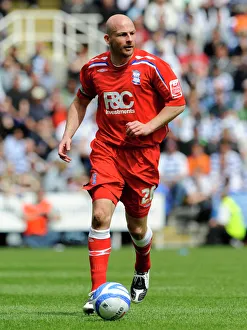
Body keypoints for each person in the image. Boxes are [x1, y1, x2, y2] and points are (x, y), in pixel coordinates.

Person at [58, 14, 186, 314]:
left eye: (132, 33)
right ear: (108, 39)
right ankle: (95, 292)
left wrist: (149, 125)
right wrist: (67, 134)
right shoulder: (93, 68)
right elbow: (80, 101)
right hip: (108, 151)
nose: (129, 39)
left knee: (137, 227)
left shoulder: (153, 65)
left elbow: (178, 102)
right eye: (122, 35)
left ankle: (143, 267)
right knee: (100, 216)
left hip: (143, 155)